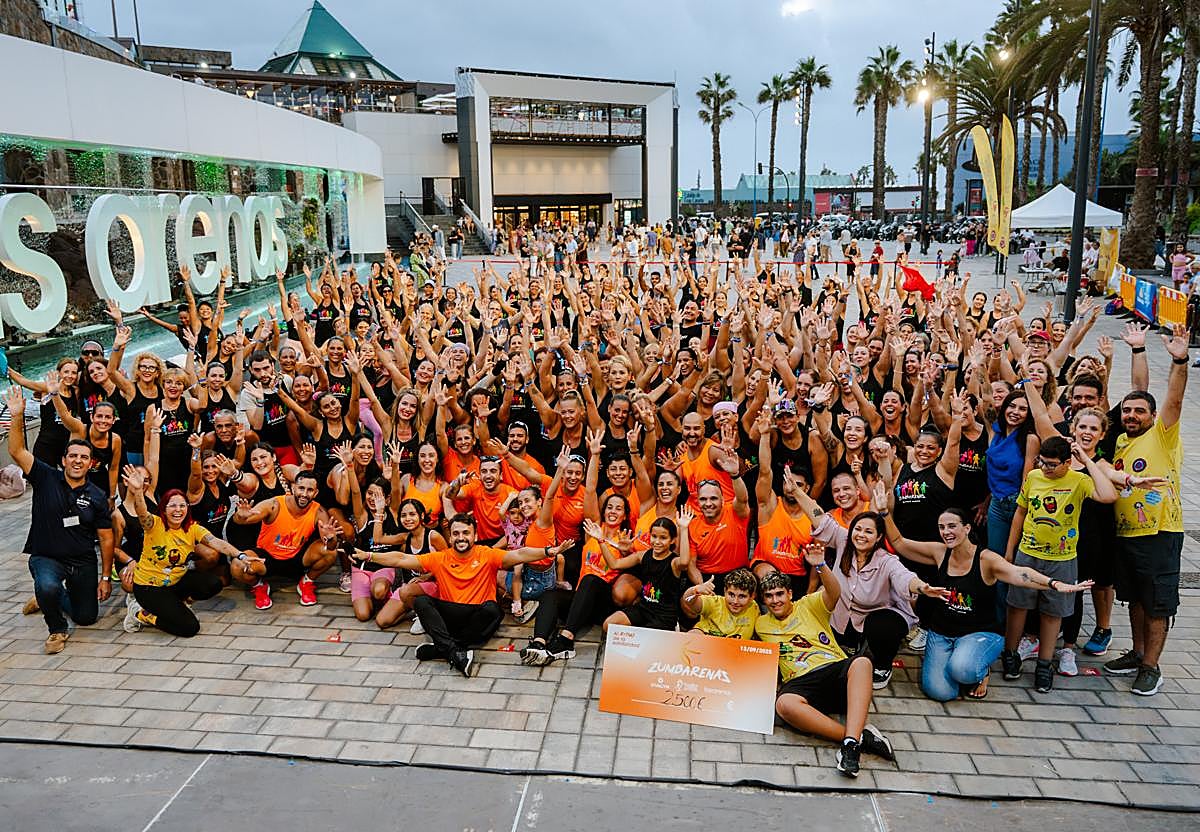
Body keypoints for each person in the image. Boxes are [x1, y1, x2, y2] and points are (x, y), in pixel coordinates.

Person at [882, 497, 1096, 702]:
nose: (946, 532)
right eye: (942, 527)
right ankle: (959, 661)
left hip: (979, 632)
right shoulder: (939, 553)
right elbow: (900, 543)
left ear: (967, 528)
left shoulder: (986, 560)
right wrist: (884, 513)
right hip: (942, 633)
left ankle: (980, 671)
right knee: (940, 692)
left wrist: (1054, 584)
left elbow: (1021, 574)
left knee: (963, 670)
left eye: (952, 526)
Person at [353, 513, 574, 677]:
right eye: (456, 533)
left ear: (475, 535)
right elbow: (400, 559)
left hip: (478, 619)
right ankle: (455, 652)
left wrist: (547, 551)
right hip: (452, 617)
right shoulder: (440, 558)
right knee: (420, 600)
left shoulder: (486, 554)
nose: (461, 537)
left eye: (466, 533)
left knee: (493, 608)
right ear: (450, 537)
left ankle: (443, 648)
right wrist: (369, 556)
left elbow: (519, 553)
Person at [1103, 327, 1190, 696]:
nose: (1133, 414)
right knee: (1136, 598)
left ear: (1155, 416)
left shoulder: (1163, 434)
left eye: (1141, 411)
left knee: (1157, 603)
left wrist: (1179, 359)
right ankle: (1138, 654)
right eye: (1128, 410)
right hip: (1128, 533)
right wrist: (1137, 350)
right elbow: (1139, 389)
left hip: (1160, 533)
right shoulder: (1122, 439)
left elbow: (1173, 398)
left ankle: (1152, 667)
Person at [756, 568, 896, 778]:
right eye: (769, 596)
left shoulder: (808, 604)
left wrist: (821, 565)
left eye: (779, 594)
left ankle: (850, 744)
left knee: (862, 663)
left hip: (832, 668)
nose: (775, 600)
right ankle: (857, 739)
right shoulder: (761, 624)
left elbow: (834, 592)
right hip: (800, 682)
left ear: (790, 594)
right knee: (784, 704)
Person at [6, 387, 114, 655]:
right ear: (64, 460)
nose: (78, 461)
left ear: (91, 464)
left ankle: (48, 600)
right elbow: (17, 450)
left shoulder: (97, 496)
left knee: (87, 617)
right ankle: (56, 628)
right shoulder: (45, 477)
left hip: (82, 560)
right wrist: (17, 415)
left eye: (84, 458)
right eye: (73, 456)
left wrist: (105, 577)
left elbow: (106, 537)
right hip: (47, 556)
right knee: (48, 585)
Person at [120, 466, 244, 637]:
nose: (178, 510)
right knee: (189, 628)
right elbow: (142, 512)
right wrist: (138, 491)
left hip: (175, 580)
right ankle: (141, 614)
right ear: (164, 509)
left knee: (214, 583)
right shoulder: (154, 524)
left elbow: (216, 542)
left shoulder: (192, 528)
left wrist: (240, 555)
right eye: (172, 506)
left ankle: (178, 603)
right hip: (149, 588)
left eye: (182, 505)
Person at [228, 470, 342, 610]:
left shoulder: (319, 512)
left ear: (316, 493)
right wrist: (241, 516)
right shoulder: (274, 504)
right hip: (267, 558)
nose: (304, 494)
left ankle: (307, 582)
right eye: (301, 488)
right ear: (293, 487)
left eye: (310, 490)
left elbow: (330, 546)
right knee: (237, 565)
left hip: (297, 559)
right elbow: (243, 520)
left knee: (331, 553)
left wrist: (331, 538)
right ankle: (259, 586)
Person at [680, 567, 759, 638]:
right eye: (731, 594)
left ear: (752, 597)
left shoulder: (754, 608)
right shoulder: (715, 602)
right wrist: (695, 590)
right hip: (706, 646)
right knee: (693, 634)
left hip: (735, 651)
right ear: (725, 591)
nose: (735, 601)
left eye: (742, 596)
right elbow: (688, 601)